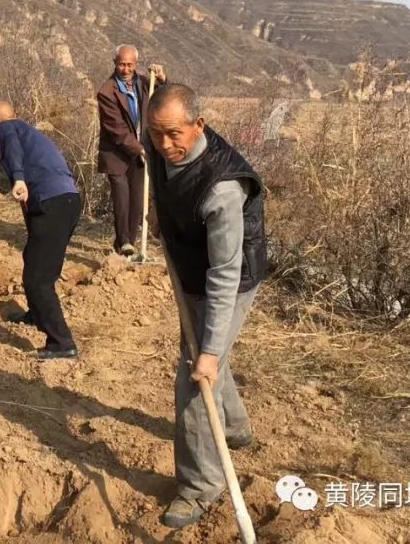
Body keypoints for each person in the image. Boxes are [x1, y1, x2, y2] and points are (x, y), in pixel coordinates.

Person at [145, 84, 268, 528]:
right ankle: (235, 430)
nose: (165, 145)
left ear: (200, 125)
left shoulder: (223, 190)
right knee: (207, 363)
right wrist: (159, 212)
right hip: (191, 263)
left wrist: (211, 352)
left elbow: (224, 276)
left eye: (175, 135)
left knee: (197, 373)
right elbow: (155, 169)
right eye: (156, 134)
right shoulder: (158, 140)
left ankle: (201, 487)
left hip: (229, 280)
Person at [0, 102, 81, 360]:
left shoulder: (7, 128)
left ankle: (62, 342)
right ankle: (36, 313)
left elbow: (12, 149)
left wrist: (17, 177)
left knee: (38, 279)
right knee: (34, 257)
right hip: (68, 200)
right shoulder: (33, 134)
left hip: (53, 202)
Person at [96, 44, 166, 255]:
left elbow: (162, 98)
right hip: (116, 154)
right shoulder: (107, 91)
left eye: (129, 65)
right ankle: (123, 241)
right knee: (122, 196)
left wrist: (162, 79)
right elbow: (115, 128)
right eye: (121, 64)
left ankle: (130, 245)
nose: (125, 69)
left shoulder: (145, 83)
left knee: (137, 199)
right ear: (114, 63)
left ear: (136, 64)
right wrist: (139, 148)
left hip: (139, 152)